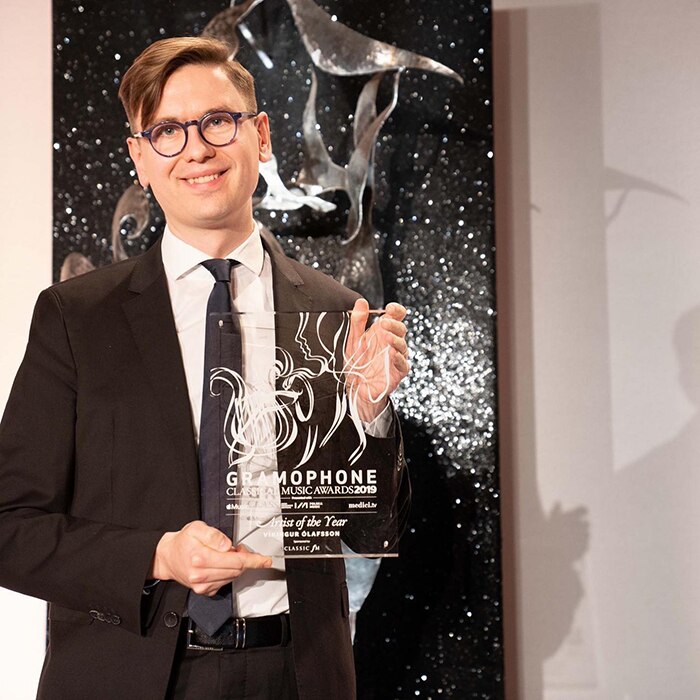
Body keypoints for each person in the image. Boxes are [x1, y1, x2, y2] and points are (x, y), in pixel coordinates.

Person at [0, 37, 409, 699]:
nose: (196, 149)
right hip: (128, 676)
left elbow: (364, 533)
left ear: (261, 136)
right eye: (167, 131)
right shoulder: (77, 318)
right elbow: (11, 527)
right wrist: (158, 556)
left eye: (218, 121)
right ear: (140, 157)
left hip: (298, 676)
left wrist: (368, 415)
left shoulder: (335, 313)